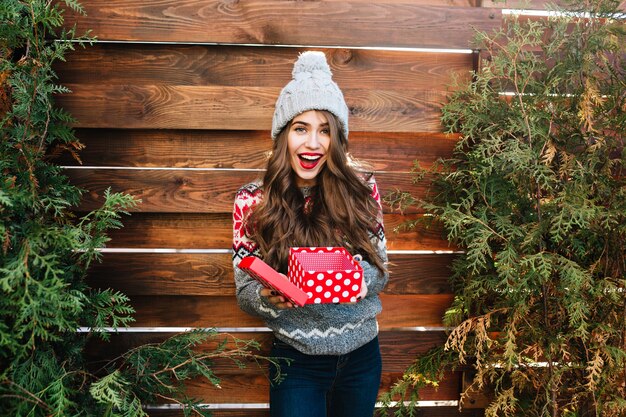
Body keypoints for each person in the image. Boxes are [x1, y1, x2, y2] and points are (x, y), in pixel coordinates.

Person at [232, 51, 389, 417]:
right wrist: (268, 296)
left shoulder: (362, 187)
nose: (313, 143)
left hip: (362, 358)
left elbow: (380, 269)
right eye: (301, 128)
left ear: (337, 139)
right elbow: (244, 290)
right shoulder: (252, 199)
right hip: (296, 362)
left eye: (325, 130)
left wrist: (349, 281)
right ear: (283, 135)